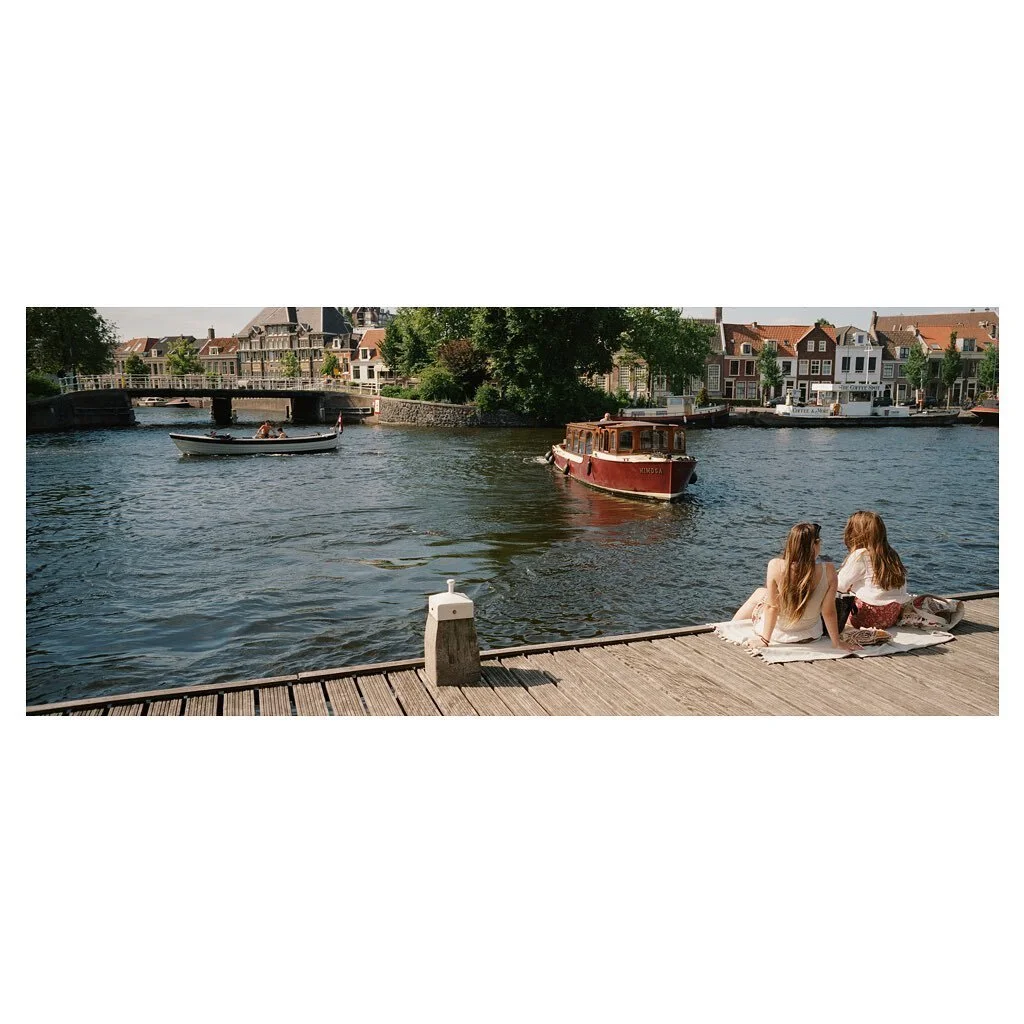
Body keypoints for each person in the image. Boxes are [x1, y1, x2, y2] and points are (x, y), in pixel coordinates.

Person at [733, 521, 860, 652]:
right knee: (762, 593)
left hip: (779, 635)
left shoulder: (775, 565)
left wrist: (764, 640)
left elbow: (772, 607)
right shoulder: (828, 570)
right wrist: (836, 642)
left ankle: (731, 625)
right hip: (811, 635)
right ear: (815, 545)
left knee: (760, 594)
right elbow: (828, 611)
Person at [837, 510, 909, 629]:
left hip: (866, 617)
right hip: (891, 616)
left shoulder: (860, 555)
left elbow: (840, 586)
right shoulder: (892, 554)